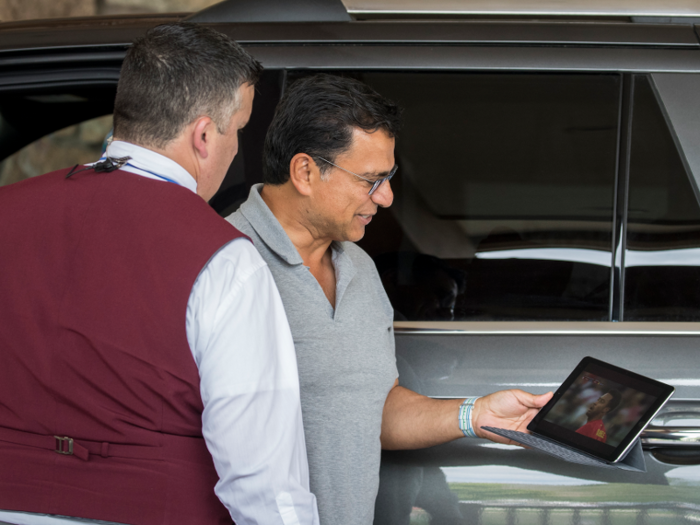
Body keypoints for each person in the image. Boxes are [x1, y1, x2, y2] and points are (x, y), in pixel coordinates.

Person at [0, 23, 318, 525]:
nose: (237, 149)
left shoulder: (7, 212)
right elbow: (263, 478)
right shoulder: (225, 259)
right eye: (238, 131)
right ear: (205, 135)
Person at [226, 73, 553, 525]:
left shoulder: (358, 267)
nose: (386, 196)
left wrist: (474, 415)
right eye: (371, 179)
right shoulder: (222, 262)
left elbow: (372, 410)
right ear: (304, 171)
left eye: (389, 176)